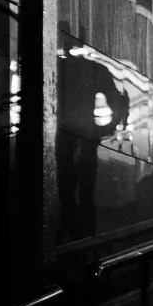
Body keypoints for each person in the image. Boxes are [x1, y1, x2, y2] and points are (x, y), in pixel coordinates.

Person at [57, 39, 130, 241]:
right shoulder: (94, 70)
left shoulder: (58, 67)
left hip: (64, 136)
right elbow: (119, 102)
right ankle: (86, 236)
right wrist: (104, 129)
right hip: (87, 137)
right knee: (85, 191)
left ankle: (66, 232)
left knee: (66, 191)